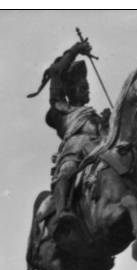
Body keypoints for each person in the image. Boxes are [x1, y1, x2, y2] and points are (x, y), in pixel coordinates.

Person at [29, 40, 109, 234]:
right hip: (74, 151)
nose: (87, 88)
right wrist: (75, 50)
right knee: (68, 169)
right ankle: (63, 209)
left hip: (96, 149)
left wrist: (107, 122)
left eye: (87, 85)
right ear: (71, 90)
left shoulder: (92, 115)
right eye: (82, 86)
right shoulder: (61, 109)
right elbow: (56, 72)